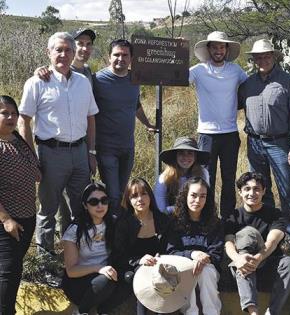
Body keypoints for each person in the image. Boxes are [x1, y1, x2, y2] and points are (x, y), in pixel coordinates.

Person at [18, 32, 99, 256]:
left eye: (68, 50)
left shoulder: (83, 82)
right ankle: (45, 262)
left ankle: (73, 256)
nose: (63, 54)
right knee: (48, 211)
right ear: (49, 53)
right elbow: (23, 120)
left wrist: (91, 152)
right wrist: (31, 159)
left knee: (79, 209)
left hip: (80, 153)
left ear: (74, 54)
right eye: (58, 50)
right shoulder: (37, 83)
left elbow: (91, 117)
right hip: (50, 154)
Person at [238, 39, 290, 216]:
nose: (263, 60)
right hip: (254, 144)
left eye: (266, 56)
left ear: (274, 57)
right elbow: (231, 104)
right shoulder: (247, 84)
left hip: (279, 143)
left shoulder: (287, 82)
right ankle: (268, 228)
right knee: (259, 189)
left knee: (287, 190)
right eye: (258, 57)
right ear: (253, 60)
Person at [190, 31, 248, 218]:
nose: (218, 50)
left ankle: (228, 219)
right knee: (207, 179)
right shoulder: (198, 71)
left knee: (229, 179)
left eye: (221, 47)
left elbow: (250, 88)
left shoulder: (235, 71)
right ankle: (208, 218)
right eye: (214, 46)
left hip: (230, 133)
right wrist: (180, 51)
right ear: (208, 49)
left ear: (226, 49)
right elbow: (177, 77)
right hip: (207, 135)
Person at [93, 39, 155, 210]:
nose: (120, 58)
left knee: (121, 192)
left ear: (131, 59)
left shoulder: (133, 79)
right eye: (116, 55)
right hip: (106, 148)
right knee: (113, 194)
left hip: (128, 146)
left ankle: (116, 229)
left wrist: (147, 124)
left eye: (125, 55)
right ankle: (110, 232)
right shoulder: (96, 80)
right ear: (109, 57)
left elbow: (135, 104)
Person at [225, 172, 290, 315]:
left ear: (264, 191)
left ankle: (272, 312)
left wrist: (258, 258)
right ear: (240, 192)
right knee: (247, 235)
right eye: (247, 189)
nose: (252, 193)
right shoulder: (233, 216)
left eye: (257, 189)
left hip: (267, 265)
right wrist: (238, 258)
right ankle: (253, 312)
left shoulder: (275, 214)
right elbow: (228, 243)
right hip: (242, 268)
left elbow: (272, 241)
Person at [62, 183, 129, 315]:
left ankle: (102, 311)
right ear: (85, 205)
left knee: (130, 278)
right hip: (79, 282)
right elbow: (71, 271)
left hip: (105, 275)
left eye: (104, 201)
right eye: (94, 202)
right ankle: (81, 312)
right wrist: (98, 268)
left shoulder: (113, 223)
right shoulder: (75, 230)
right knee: (106, 279)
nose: (100, 206)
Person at [0, 95, 40, 314]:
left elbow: (36, 174)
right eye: (4, 113)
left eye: (14, 113)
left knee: (14, 269)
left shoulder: (17, 140)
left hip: (27, 217)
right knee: (7, 271)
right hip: (7, 222)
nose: (11, 117)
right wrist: (6, 219)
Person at [167, 177, 224, 315]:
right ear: (185, 195)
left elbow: (216, 253)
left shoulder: (215, 222)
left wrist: (203, 260)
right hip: (181, 267)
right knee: (188, 270)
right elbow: (170, 252)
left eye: (202, 196)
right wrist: (192, 255)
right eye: (193, 195)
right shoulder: (174, 222)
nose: (197, 201)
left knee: (205, 272)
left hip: (208, 267)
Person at [113, 177, 169, 315]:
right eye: (134, 196)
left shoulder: (162, 219)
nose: (140, 199)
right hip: (133, 268)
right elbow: (118, 255)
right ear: (128, 200)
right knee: (143, 276)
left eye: (144, 193)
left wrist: (161, 258)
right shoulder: (123, 223)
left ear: (150, 195)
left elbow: (171, 247)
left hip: (160, 265)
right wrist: (139, 260)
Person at [154, 137, 210, 214]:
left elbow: (207, 201)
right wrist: (184, 208)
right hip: (171, 219)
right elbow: (161, 210)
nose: (186, 157)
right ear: (175, 156)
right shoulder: (164, 178)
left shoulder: (203, 173)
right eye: (181, 153)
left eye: (190, 153)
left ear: (195, 156)